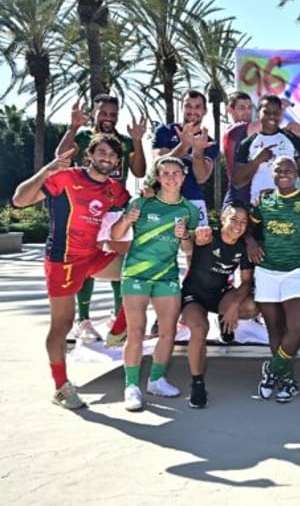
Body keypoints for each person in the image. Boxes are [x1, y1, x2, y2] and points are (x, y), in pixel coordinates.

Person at [12, 134, 130, 409]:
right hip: (62, 261)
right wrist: (49, 168)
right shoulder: (66, 177)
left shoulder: (114, 189)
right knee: (62, 325)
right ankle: (61, 387)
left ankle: (117, 330)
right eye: (102, 152)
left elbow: (138, 203)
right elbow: (19, 200)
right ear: (90, 155)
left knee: (137, 270)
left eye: (112, 155)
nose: (107, 158)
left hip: (92, 256)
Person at [110, 156, 200, 412]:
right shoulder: (142, 201)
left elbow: (188, 249)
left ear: (184, 177)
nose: (171, 178)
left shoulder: (189, 211)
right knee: (136, 331)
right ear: (158, 178)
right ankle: (131, 387)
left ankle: (157, 380)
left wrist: (185, 238)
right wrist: (128, 219)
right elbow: (115, 234)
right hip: (136, 275)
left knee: (168, 333)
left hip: (167, 276)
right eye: (166, 173)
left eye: (176, 173)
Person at [55, 94, 146, 345]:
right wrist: (73, 127)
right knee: (84, 263)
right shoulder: (83, 138)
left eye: (113, 114)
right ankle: (83, 321)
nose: (108, 118)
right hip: (87, 209)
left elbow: (139, 171)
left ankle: (117, 320)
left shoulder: (124, 142)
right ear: (94, 113)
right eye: (103, 113)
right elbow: (61, 156)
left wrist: (137, 141)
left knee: (122, 263)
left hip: (116, 208)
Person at [248, 157, 300, 404]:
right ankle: (288, 380)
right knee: (275, 329)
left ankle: (272, 369)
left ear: (296, 173)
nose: (283, 173)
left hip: (298, 270)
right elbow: (249, 227)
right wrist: (250, 242)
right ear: (271, 174)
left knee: (297, 329)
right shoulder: (264, 201)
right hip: (267, 271)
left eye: (288, 169)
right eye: (278, 170)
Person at [180, 202, 255, 409]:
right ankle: (197, 383)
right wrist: (191, 236)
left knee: (251, 307)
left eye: (243, 222)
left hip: (220, 294)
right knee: (199, 329)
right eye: (233, 220)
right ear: (222, 220)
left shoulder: (243, 247)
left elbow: (247, 282)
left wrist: (233, 306)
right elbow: (188, 243)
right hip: (193, 295)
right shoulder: (207, 235)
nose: (238, 226)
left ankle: (224, 320)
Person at [152, 90, 219, 226]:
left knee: (197, 245)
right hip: (163, 200)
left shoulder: (209, 142)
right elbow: (158, 164)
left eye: (197, 107)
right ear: (182, 107)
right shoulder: (164, 131)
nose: (192, 111)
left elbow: (201, 177)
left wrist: (198, 151)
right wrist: (183, 146)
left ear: (205, 111)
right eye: (188, 106)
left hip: (193, 201)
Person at [232, 94, 300, 204]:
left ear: (280, 114)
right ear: (258, 113)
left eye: (276, 113)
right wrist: (257, 160)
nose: (271, 116)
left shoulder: (293, 140)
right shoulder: (247, 143)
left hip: (286, 206)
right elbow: (237, 182)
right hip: (259, 207)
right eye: (266, 112)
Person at [221, 91, 256, 205]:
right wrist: (280, 107)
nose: (247, 112)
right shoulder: (235, 130)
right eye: (242, 107)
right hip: (238, 197)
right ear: (230, 110)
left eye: (249, 107)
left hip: (251, 196)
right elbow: (266, 124)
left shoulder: (252, 134)